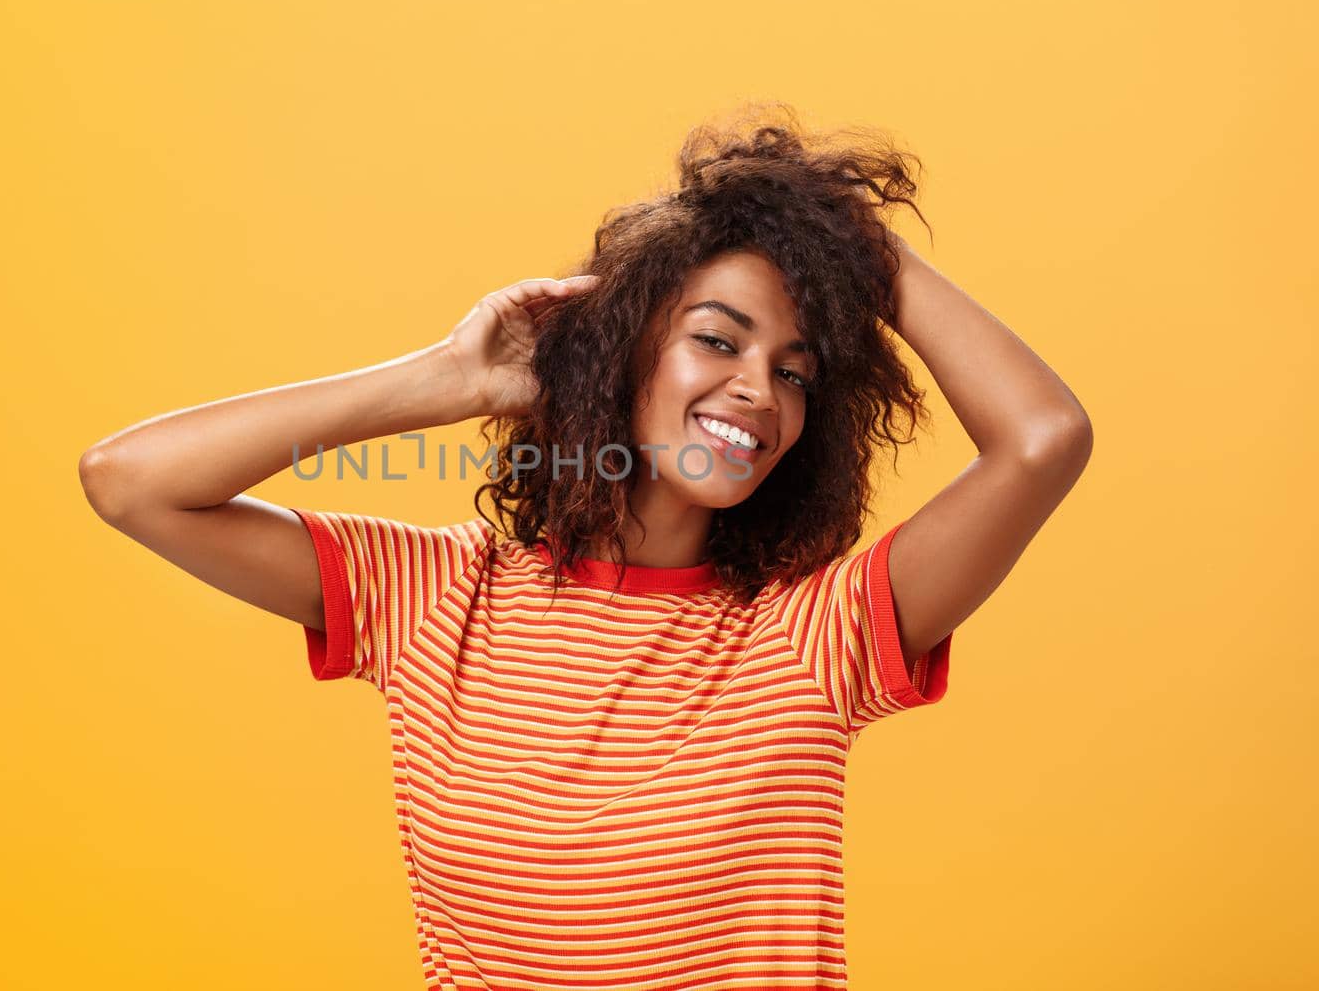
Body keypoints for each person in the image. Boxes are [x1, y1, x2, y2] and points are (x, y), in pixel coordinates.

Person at [78, 103, 1094, 988]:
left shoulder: (809, 634)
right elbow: (131, 480)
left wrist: (863, 248)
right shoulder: (438, 594)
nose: (756, 388)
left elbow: (1041, 437)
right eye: (717, 338)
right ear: (623, 350)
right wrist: (440, 380)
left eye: (794, 369)